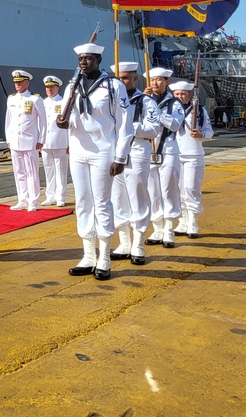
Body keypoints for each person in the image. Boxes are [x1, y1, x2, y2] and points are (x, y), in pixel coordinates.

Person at [56, 43, 133, 281]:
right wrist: (61, 121)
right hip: (79, 151)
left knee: (102, 203)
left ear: (98, 60)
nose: (83, 62)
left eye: (88, 58)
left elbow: (125, 124)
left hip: (103, 151)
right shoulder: (73, 85)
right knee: (82, 202)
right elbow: (65, 114)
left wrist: (120, 157)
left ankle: (104, 259)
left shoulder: (113, 86)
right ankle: (88, 255)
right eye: (80, 58)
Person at [109, 62, 160, 265]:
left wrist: (129, 126)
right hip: (115, 155)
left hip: (137, 151)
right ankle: (124, 243)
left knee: (138, 198)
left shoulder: (146, 102)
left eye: (126, 78)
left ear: (134, 79)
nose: (122, 82)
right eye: (119, 78)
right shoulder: (110, 101)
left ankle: (138, 243)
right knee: (118, 199)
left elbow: (153, 129)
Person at [143, 67, 185, 247]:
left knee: (169, 190)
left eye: (159, 80)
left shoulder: (174, 103)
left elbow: (175, 125)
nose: (155, 83)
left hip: (168, 150)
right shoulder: (144, 101)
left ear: (166, 82)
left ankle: (169, 229)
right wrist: (144, 102)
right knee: (152, 192)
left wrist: (156, 112)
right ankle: (157, 227)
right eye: (152, 80)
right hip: (149, 151)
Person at [171, 81, 213, 238]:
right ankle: (182, 222)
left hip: (193, 154)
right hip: (174, 155)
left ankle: (193, 223)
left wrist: (200, 134)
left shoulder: (199, 111)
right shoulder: (169, 110)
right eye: (177, 94)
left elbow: (209, 131)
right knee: (177, 190)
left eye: (183, 94)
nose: (180, 97)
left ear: (189, 95)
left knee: (190, 189)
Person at [5, 70, 46, 212]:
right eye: (16, 82)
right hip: (15, 141)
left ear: (27, 83)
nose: (17, 84)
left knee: (32, 172)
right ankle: (22, 199)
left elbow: (43, 121)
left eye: (20, 82)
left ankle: (33, 201)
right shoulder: (11, 99)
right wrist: (8, 138)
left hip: (30, 141)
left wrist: (41, 139)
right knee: (19, 172)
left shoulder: (35, 99)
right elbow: (8, 121)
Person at [40, 74, 69, 206]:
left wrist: (69, 143)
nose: (49, 89)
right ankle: (50, 195)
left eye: (52, 87)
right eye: (47, 87)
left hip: (60, 141)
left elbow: (69, 124)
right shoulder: (42, 103)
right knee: (48, 169)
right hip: (46, 142)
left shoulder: (63, 103)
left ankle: (60, 197)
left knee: (61, 170)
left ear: (58, 88)